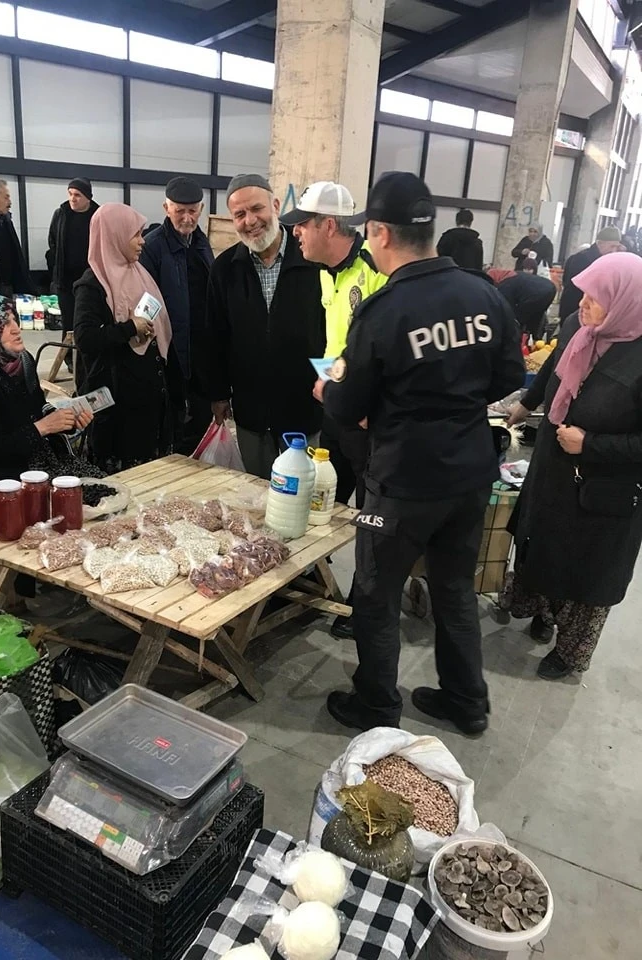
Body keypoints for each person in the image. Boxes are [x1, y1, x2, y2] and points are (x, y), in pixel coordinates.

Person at [318, 172, 525, 736]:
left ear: (380, 232)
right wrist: (455, 402)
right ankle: (467, 701)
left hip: (402, 480)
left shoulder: (384, 310)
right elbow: (510, 375)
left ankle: (376, 705)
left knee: (375, 591)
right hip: (469, 472)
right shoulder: (484, 295)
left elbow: (346, 404)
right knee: (454, 587)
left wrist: (330, 391)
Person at [502, 253, 642, 679]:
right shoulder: (577, 327)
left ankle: (568, 652)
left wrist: (591, 444)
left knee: (587, 571)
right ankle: (542, 611)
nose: (582, 303)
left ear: (625, 302)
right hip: (554, 466)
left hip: (605, 488)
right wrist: (527, 404)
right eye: (582, 293)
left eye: (595, 297)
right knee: (543, 543)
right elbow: (553, 368)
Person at [281, 180, 387, 640]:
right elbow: (340, 343)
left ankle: (366, 607)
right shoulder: (326, 272)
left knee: (371, 516)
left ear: (328, 225)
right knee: (322, 499)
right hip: (336, 408)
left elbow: (391, 350)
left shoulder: (374, 270)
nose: (295, 233)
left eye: (302, 224)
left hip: (367, 419)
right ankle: (308, 580)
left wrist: (368, 404)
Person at [205, 174, 326, 479]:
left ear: (275, 205)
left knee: (302, 491)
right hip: (252, 413)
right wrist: (219, 394)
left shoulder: (313, 262)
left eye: (256, 209)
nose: (250, 221)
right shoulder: (225, 269)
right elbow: (215, 336)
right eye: (240, 214)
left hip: (305, 408)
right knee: (255, 491)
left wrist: (331, 385)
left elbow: (332, 332)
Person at [0, 294, 92, 524]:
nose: (16, 329)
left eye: (14, 319)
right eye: (3, 325)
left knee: (95, 495)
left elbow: (37, 408)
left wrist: (65, 420)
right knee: (74, 510)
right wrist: (43, 428)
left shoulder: (22, 361)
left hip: (29, 464)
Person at [74, 203, 173, 472]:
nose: (142, 241)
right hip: (117, 406)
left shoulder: (139, 274)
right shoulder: (92, 284)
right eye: (135, 234)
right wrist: (130, 328)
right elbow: (86, 338)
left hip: (147, 400)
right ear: (114, 235)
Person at [140, 176, 214, 454]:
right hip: (169, 347)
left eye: (192, 210)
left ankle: (194, 460)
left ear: (201, 209)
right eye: (179, 210)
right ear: (166, 208)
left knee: (202, 413)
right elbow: (144, 300)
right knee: (173, 416)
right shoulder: (152, 247)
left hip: (201, 346)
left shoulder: (202, 243)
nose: (187, 217)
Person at [46, 178, 99, 373]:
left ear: (87, 197)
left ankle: (88, 358)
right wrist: (56, 266)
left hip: (90, 280)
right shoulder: (61, 214)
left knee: (87, 321)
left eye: (77, 195)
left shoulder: (97, 216)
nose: (72, 198)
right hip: (66, 281)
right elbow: (52, 241)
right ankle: (69, 358)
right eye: (70, 194)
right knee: (68, 322)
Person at [558, 226, 622, 322]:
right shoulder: (581, 259)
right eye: (612, 246)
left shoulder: (604, 259)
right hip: (576, 309)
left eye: (617, 247)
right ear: (600, 243)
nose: (614, 251)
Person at [495, 259, 556, 340]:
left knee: (518, 320)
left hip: (536, 294)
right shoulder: (514, 275)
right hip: (551, 288)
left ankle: (519, 339)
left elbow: (507, 305)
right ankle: (535, 339)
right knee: (536, 317)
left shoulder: (505, 284)